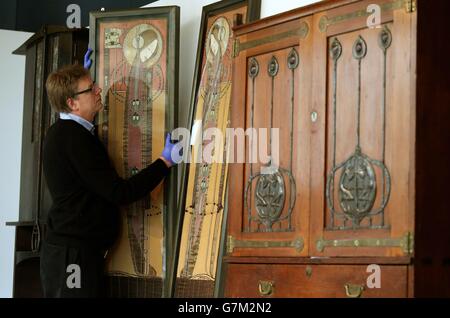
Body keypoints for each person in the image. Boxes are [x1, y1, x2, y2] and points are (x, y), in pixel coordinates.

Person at [40, 59, 180, 297]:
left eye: (94, 84)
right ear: (72, 103)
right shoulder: (75, 139)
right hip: (72, 257)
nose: (98, 90)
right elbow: (120, 192)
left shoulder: (66, 131)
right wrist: (164, 162)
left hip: (72, 252)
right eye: (90, 89)